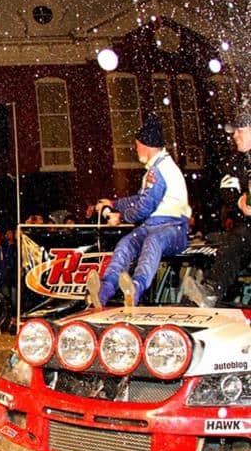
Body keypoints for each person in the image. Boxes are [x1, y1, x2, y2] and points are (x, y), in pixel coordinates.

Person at [87, 114, 191, 308]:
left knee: (153, 242)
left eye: (137, 145)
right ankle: (105, 288)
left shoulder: (159, 171)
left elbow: (145, 207)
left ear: (146, 144)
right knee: (125, 244)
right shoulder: (154, 168)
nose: (136, 149)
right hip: (153, 225)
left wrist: (121, 216)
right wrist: (114, 203)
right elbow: (139, 199)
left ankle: (135, 287)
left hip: (174, 227)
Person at [183, 111, 251, 307]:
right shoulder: (233, 163)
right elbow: (227, 190)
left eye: (240, 131)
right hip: (246, 228)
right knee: (237, 239)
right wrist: (239, 202)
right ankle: (211, 290)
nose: (235, 135)